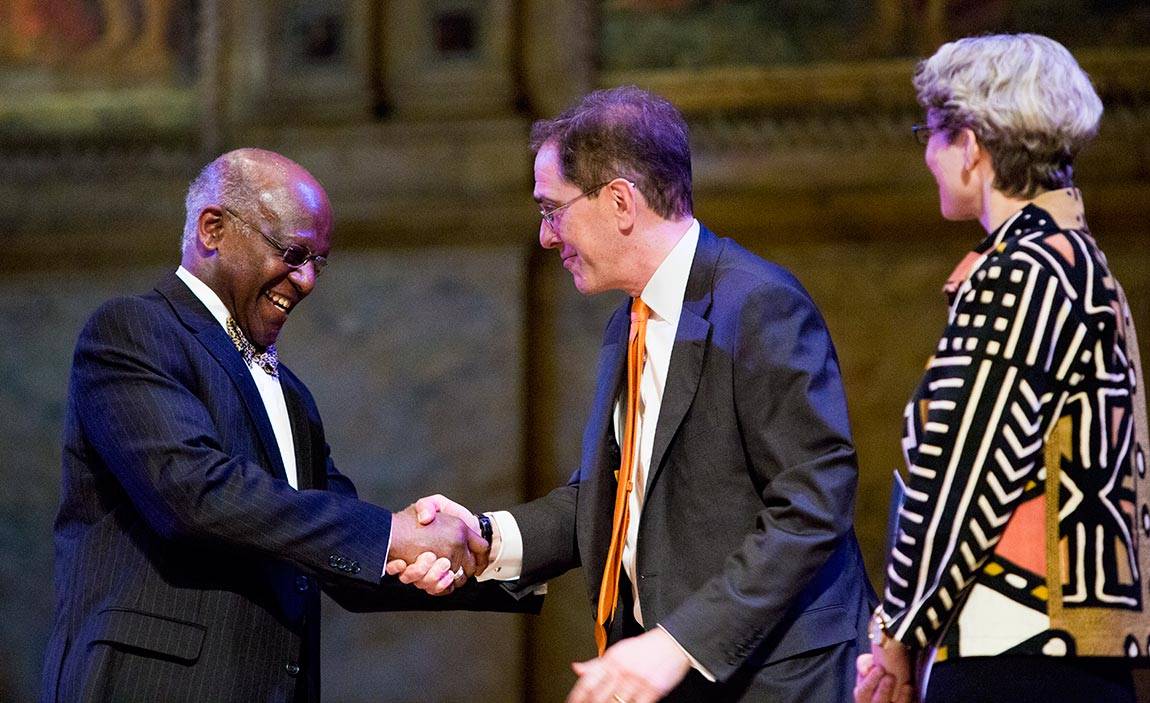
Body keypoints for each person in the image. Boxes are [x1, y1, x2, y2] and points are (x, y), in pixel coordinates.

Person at [391, 86, 876, 702]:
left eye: (552, 210)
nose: (545, 237)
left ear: (620, 202)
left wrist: (678, 643)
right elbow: (611, 501)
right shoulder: (630, 319)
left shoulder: (758, 304)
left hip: (782, 678)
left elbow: (812, 505)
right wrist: (483, 537)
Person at [39, 148, 529, 702]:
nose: (308, 279)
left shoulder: (291, 393)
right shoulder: (133, 331)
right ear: (213, 229)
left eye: (319, 261)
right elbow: (193, 493)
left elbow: (341, 546)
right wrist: (393, 534)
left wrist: (483, 551)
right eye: (293, 253)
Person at [854, 34, 1150, 703]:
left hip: (1016, 655)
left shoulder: (1022, 271)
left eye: (932, 134)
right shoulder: (1077, 261)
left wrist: (897, 629)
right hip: (1069, 653)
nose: (928, 155)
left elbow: (961, 474)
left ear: (971, 146)